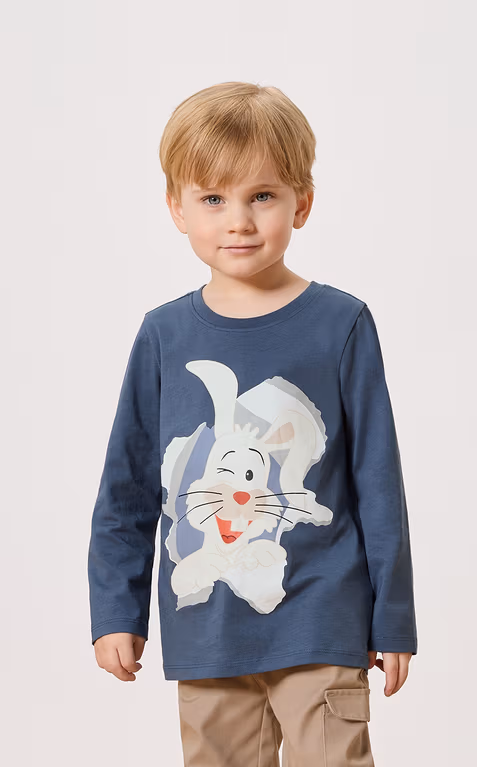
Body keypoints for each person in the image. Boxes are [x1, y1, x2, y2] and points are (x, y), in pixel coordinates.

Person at [87, 81, 417, 766]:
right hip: (205, 631)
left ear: (303, 202)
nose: (237, 220)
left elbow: (378, 481)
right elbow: (128, 486)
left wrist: (392, 616)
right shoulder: (164, 335)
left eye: (261, 195)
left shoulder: (341, 324)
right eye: (213, 198)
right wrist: (116, 610)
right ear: (176, 208)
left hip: (323, 621)